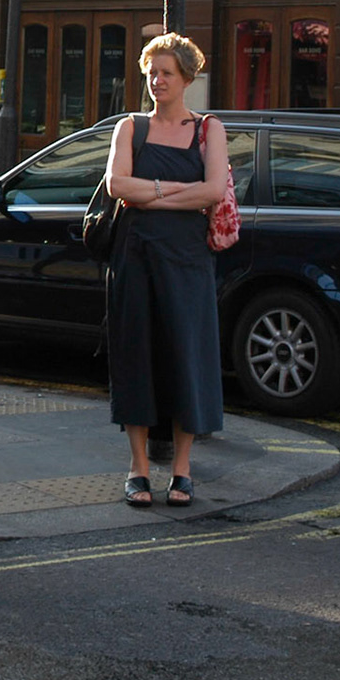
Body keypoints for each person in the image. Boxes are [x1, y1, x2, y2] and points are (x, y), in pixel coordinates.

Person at [102, 33, 229, 508]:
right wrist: (175, 191)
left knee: (185, 357)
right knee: (136, 355)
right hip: (135, 256)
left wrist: (150, 191)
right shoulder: (130, 128)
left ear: (187, 78)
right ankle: (137, 468)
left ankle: (181, 469)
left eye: (166, 74)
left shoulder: (208, 130)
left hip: (187, 259)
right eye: (151, 73)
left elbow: (213, 190)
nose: (157, 81)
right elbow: (118, 185)